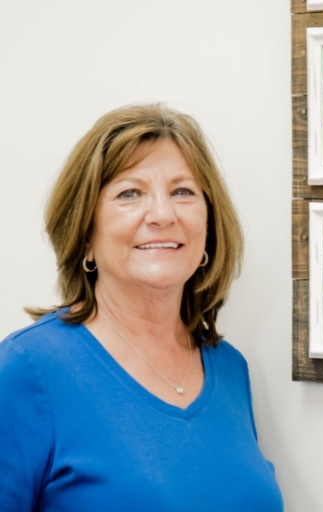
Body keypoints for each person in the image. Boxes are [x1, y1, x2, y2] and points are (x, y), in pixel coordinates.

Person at [0, 103, 284, 511]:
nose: (163, 214)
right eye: (129, 193)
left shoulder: (230, 369)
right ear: (85, 235)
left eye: (182, 191)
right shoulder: (27, 370)